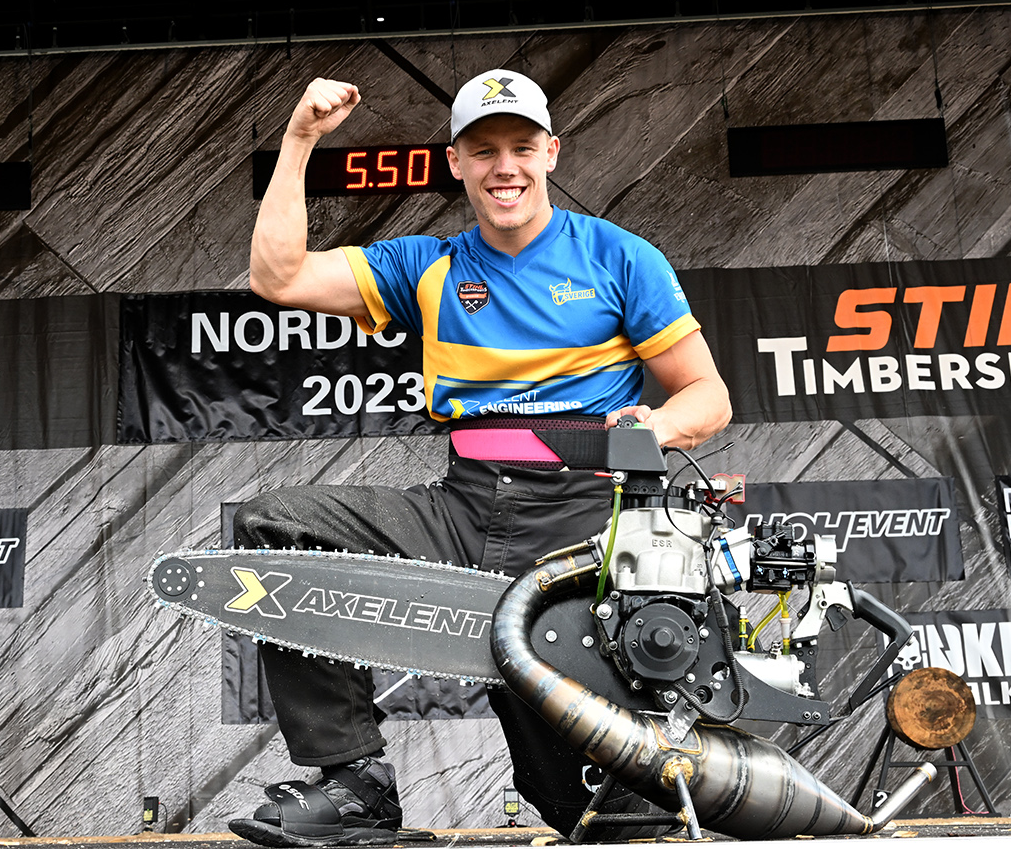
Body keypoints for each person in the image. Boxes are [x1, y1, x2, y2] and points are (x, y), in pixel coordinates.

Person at [231, 69, 731, 848]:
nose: (505, 167)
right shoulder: (426, 265)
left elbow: (708, 395)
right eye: (484, 150)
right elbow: (278, 276)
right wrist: (298, 139)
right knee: (280, 527)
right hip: (463, 508)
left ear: (551, 153)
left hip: (579, 523)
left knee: (596, 814)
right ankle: (355, 785)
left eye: (522, 148)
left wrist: (656, 425)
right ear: (455, 163)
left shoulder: (618, 257)